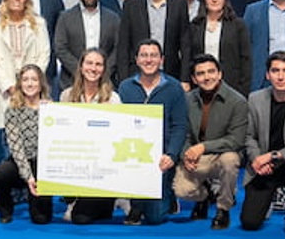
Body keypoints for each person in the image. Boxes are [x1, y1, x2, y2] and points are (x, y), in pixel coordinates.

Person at [173, 54, 248, 230]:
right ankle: (204, 196)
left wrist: (203, 147)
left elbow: (236, 140)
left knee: (230, 160)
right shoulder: (186, 100)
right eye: (200, 74)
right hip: (195, 157)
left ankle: (223, 210)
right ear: (193, 78)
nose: (207, 77)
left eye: (211, 72)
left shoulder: (238, 101)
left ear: (220, 73)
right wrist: (185, 154)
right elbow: (181, 132)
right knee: (181, 190)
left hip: (222, 156)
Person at [118, 39, 187, 225]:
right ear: (137, 60)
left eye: (153, 55)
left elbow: (179, 126)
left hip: (161, 158)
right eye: (144, 55)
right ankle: (136, 204)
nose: (149, 60)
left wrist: (171, 155)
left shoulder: (174, 88)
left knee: (155, 218)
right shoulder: (125, 88)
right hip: (132, 156)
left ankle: (168, 195)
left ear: (162, 60)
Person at [60, 48, 120, 224]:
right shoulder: (67, 96)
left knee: (80, 218)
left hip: (103, 165)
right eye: (89, 63)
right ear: (81, 66)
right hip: (75, 159)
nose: (93, 68)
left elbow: (118, 136)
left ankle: (110, 198)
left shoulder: (113, 98)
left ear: (104, 69)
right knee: (79, 216)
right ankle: (73, 200)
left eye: (98, 64)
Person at [0, 64, 53, 224]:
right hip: (20, 163)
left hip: (43, 166)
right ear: (20, 84)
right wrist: (29, 177)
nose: (30, 84)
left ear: (41, 83)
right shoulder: (12, 109)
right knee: (0, 174)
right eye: (25, 80)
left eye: (34, 79)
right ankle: (5, 204)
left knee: (41, 219)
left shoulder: (51, 108)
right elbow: (15, 147)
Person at [117, 0, 191, 89]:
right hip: (136, 77)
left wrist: (185, 79)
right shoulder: (131, 4)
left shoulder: (179, 4)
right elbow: (123, 46)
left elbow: (185, 45)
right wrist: (123, 80)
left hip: (170, 75)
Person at [0, 0, 50, 130]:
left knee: (32, 133)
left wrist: (31, 82)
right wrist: (9, 86)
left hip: (32, 90)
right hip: (7, 90)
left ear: (27, 1)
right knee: (8, 138)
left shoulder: (39, 24)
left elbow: (44, 54)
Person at [240, 51, 285, 230]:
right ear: (267, 75)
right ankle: (271, 197)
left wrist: (272, 156)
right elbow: (248, 135)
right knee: (250, 222)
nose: (281, 76)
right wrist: (258, 159)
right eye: (275, 71)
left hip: (280, 159)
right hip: (264, 167)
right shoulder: (255, 98)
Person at [55, 0, 120, 90]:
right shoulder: (65, 17)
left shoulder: (113, 18)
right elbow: (60, 48)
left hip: (105, 84)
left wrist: (102, 72)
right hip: (71, 83)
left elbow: (118, 49)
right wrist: (82, 72)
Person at [190, 0, 251, 97]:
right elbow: (189, 58)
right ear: (204, 0)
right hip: (201, 85)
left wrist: (243, 90)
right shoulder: (195, 25)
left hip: (231, 86)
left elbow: (246, 60)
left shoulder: (238, 25)